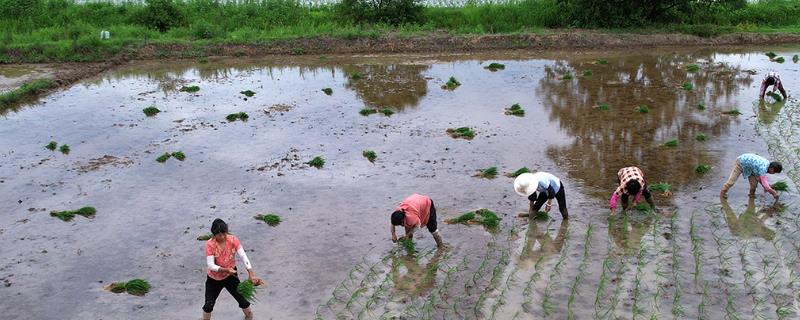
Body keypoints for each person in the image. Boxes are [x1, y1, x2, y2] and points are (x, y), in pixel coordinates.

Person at [203, 218, 263, 320]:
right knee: (208, 306)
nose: (222, 237)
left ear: (226, 232)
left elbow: (243, 256)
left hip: (231, 277)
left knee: (243, 301)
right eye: (218, 235)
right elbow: (211, 265)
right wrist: (226, 270)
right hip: (214, 279)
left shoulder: (233, 240)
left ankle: (249, 317)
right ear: (213, 234)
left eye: (224, 234)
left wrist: (251, 274)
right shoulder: (210, 244)